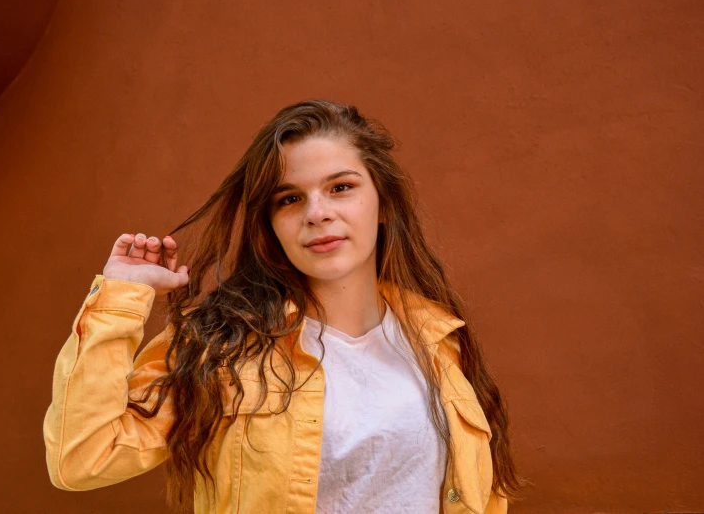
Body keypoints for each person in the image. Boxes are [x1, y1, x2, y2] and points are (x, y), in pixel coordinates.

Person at [43, 99, 525, 513]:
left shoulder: (437, 340)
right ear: (270, 223)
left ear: (384, 203)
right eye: (290, 198)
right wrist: (123, 296)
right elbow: (82, 459)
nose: (318, 213)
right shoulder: (221, 343)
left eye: (341, 187)